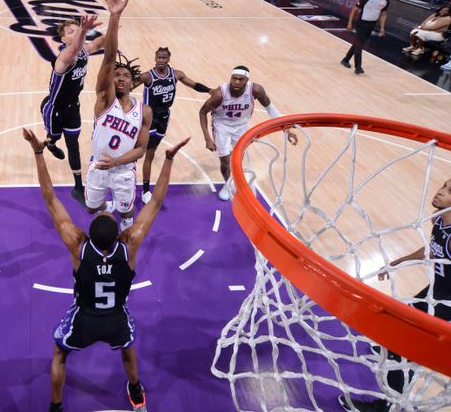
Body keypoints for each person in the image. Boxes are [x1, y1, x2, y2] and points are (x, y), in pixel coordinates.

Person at [22, 127, 190, 412]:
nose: (106, 209)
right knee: (127, 349)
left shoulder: (77, 245)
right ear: (119, 235)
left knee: (60, 354)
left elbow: (50, 199)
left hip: (85, 318)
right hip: (115, 318)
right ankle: (137, 394)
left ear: (88, 233)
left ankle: (55, 407)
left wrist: (39, 152)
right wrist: (169, 160)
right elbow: (157, 202)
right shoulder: (130, 245)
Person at [339, 179, 451, 411]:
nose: (441, 192)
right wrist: (400, 261)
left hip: (447, 305)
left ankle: (393, 407)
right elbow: (431, 248)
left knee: (400, 349)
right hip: (434, 293)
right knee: (394, 325)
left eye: (450, 191)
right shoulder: (438, 220)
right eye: (444, 185)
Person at [85, 0, 151, 232]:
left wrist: (116, 163)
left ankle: (124, 221)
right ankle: (105, 209)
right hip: (98, 167)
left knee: (126, 211)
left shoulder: (144, 112)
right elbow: (109, 58)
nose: (120, 78)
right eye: (116, 75)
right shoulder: (104, 100)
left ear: (133, 83)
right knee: (92, 209)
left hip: (123, 171)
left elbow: (141, 149)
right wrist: (115, 16)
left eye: (126, 75)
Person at [199, 66, 297, 201]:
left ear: (247, 80)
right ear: (230, 78)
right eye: (234, 79)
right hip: (222, 126)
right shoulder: (219, 94)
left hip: (241, 125)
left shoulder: (256, 90)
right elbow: (202, 112)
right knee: (225, 160)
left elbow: (269, 107)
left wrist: (287, 130)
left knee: (238, 156)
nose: (237, 82)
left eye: (241, 79)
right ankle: (228, 185)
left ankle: (235, 175)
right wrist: (207, 138)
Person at [41, 14, 107, 206]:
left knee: (73, 145)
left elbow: (97, 43)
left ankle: (78, 186)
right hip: (55, 109)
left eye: (77, 29)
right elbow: (76, 48)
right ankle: (51, 143)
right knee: (53, 137)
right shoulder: (64, 57)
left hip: (73, 108)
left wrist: (113, 24)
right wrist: (84, 29)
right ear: (63, 39)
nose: (77, 32)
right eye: (71, 31)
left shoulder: (84, 50)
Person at [133, 47, 212, 204]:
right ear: (155, 59)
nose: (161, 60)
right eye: (158, 58)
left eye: (164, 58)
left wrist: (210, 90)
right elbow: (128, 87)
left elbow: (194, 84)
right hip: (149, 118)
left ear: (168, 59)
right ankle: (146, 190)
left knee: (150, 152)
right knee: (148, 154)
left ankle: (132, 165)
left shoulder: (176, 74)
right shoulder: (147, 76)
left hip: (163, 118)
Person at [342, 0, 389, 74]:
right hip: (361, 24)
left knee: (357, 44)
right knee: (359, 45)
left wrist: (382, 28)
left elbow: (383, 14)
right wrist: (349, 23)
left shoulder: (386, 1)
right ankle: (358, 67)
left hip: (371, 25)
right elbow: (354, 9)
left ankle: (345, 60)